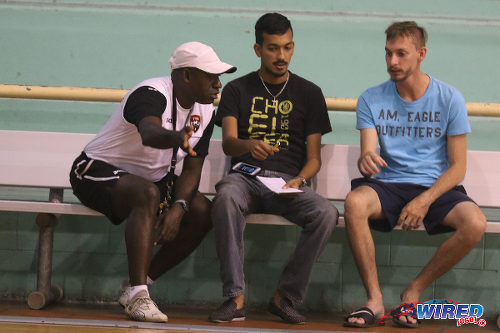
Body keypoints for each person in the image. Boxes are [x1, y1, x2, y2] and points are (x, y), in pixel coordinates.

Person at [69, 41, 236, 323]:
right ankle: (138, 298)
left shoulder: (206, 111)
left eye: (218, 78)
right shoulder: (150, 93)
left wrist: (179, 207)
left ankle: (137, 285)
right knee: (146, 193)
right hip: (94, 172)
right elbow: (148, 131)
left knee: (202, 212)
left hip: (148, 181)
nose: (218, 84)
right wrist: (174, 137)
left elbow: (192, 169)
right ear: (186, 75)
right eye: (210, 77)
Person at [343, 21, 486, 328]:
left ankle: (414, 291)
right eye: (388, 54)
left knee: (475, 223)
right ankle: (375, 301)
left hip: (436, 189)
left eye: (401, 54)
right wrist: (367, 158)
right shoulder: (371, 98)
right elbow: (368, 151)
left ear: (421, 54)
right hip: (390, 185)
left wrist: (425, 200)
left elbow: (457, 167)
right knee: (355, 203)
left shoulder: (449, 99)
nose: (392, 62)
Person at [208, 13, 338, 324]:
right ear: (258, 49)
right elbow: (228, 142)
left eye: (287, 47)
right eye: (273, 48)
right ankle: (234, 298)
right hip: (245, 178)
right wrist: (249, 145)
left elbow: (314, 158)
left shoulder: (309, 93)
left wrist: (301, 179)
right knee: (226, 197)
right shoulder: (237, 90)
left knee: (326, 213)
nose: (281, 56)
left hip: (287, 184)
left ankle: (285, 298)